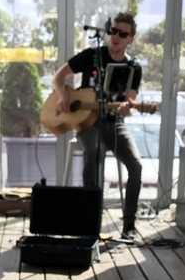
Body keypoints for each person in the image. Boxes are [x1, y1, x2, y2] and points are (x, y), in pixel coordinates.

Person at [52, 12, 143, 239]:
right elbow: (58, 77)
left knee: (136, 165)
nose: (116, 37)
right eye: (113, 31)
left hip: (114, 123)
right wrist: (64, 95)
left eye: (123, 34)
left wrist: (126, 108)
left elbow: (129, 100)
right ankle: (89, 223)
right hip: (86, 123)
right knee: (95, 152)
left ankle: (129, 225)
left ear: (131, 38)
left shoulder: (134, 67)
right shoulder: (92, 56)